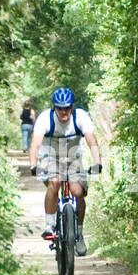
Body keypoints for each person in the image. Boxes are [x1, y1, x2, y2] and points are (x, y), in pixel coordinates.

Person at [28, 87, 102, 256]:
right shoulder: (45, 119)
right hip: (50, 156)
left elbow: (92, 141)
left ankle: (79, 232)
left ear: (72, 107)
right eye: (60, 108)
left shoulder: (81, 117)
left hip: (72, 158)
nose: (63, 112)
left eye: (67, 108)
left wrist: (98, 162)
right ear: (54, 107)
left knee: (77, 192)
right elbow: (35, 144)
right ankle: (50, 225)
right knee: (54, 182)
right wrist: (33, 164)